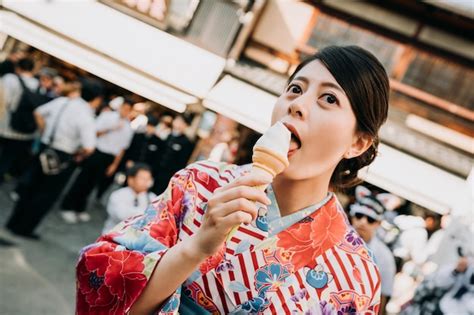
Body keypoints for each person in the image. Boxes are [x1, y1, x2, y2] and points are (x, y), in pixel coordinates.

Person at [76, 46, 388, 314]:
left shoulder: (356, 275)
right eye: (295, 89)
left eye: (329, 99)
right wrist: (196, 247)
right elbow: (103, 280)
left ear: (358, 143)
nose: (298, 104)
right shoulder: (200, 183)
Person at [5, 78, 103, 239]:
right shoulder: (86, 116)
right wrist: (79, 155)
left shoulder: (63, 102)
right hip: (63, 156)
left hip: (45, 148)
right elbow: (89, 147)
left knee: (30, 187)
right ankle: (24, 228)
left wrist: (45, 132)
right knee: (46, 194)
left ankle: (13, 222)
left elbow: (38, 113)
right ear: (96, 98)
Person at [60, 99, 134, 223]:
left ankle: (79, 208)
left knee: (92, 184)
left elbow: (122, 149)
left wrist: (114, 165)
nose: (125, 111)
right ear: (120, 107)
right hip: (97, 152)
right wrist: (111, 129)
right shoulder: (108, 116)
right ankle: (67, 206)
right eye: (124, 108)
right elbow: (93, 132)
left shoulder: (128, 128)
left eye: (128, 110)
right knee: (82, 180)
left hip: (109, 157)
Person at [350, 186, 397, 315]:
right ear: (353, 216)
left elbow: (382, 297)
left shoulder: (385, 257)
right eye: (359, 215)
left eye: (370, 219)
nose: (363, 222)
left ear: (378, 223)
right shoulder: (333, 237)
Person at [0, 58, 39, 184]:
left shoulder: (9, 79)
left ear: (18, 67)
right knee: (8, 158)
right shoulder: (37, 84)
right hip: (24, 131)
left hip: (4, 124)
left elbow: (4, 101)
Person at [102, 163, 156, 234]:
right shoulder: (118, 195)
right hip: (114, 234)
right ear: (130, 179)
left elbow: (155, 219)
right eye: (142, 178)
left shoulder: (153, 197)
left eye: (148, 179)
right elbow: (122, 216)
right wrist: (146, 215)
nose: (146, 182)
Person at [153, 113, 194, 194]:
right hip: (156, 171)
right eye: (177, 119)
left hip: (168, 176)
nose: (177, 122)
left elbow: (182, 162)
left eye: (180, 121)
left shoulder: (186, 142)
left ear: (185, 125)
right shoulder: (168, 135)